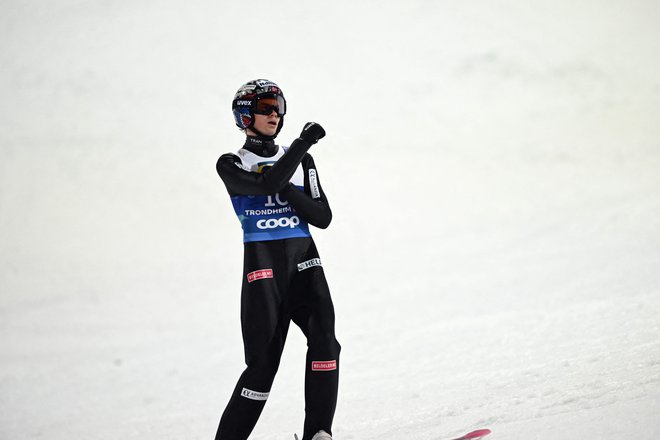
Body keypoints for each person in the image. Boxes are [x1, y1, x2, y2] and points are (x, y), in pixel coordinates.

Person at [214, 79, 341, 440]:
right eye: (266, 107)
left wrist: (288, 176)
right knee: (261, 369)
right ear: (245, 115)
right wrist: (302, 143)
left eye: (279, 106)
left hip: (304, 263)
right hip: (262, 273)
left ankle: (319, 434)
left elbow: (322, 217)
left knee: (326, 342)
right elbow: (263, 187)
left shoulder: (301, 161)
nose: (275, 114)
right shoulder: (231, 163)